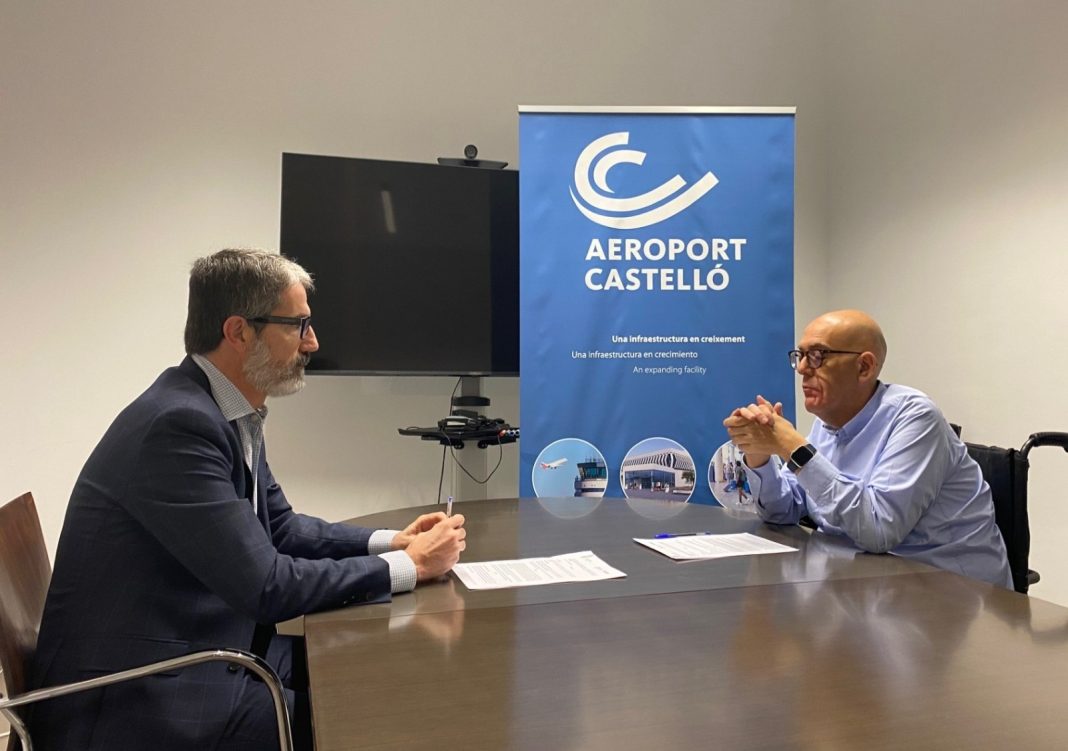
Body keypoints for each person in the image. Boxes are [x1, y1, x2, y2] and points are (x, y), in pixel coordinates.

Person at [28, 249, 467, 750]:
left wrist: (392, 542)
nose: (313, 342)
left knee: (378, 670)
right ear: (238, 332)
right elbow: (267, 586)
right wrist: (410, 566)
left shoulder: (221, 409)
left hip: (198, 651)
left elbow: (281, 528)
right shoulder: (178, 426)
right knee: (366, 718)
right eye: (298, 325)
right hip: (134, 697)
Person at [723, 309, 1011, 588]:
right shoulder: (828, 420)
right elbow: (783, 511)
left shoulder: (915, 417)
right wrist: (759, 455)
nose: (802, 369)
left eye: (818, 355)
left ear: (864, 367)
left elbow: (879, 530)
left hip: (953, 593)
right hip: (868, 581)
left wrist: (793, 446)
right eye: (800, 355)